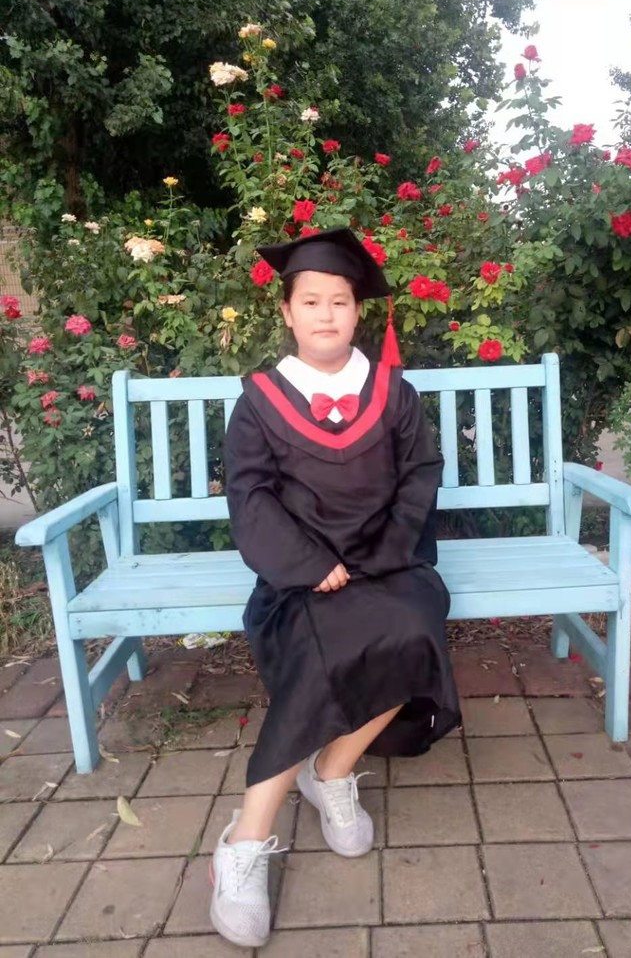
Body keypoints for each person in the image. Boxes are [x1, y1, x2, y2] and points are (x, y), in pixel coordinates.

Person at [210, 227, 461, 948]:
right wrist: (306, 562)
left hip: (388, 563)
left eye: (341, 301)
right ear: (287, 311)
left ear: (358, 312)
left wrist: (385, 550)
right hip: (299, 577)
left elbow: (420, 474)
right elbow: (251, 497)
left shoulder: (392, 393)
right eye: (311, 300)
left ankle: (335, 769)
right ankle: (246, 838)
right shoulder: (260, 401)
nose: (326, 313)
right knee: (325, 650)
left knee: (412, 629)